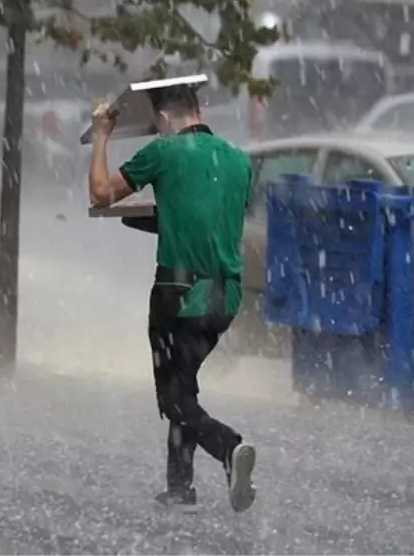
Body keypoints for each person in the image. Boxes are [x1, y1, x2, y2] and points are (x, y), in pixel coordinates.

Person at [87, 82, 257, 513]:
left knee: (174, 398)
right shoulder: (238, 161)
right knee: (184, 385)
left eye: (157, 125)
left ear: (163, 119)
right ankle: (180, 486)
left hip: (178, 294)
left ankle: (228, 447)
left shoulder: (163, 152)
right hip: (224, 298)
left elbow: (101, 193)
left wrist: (103, 134)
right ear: (198, 109)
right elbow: (209, 218)